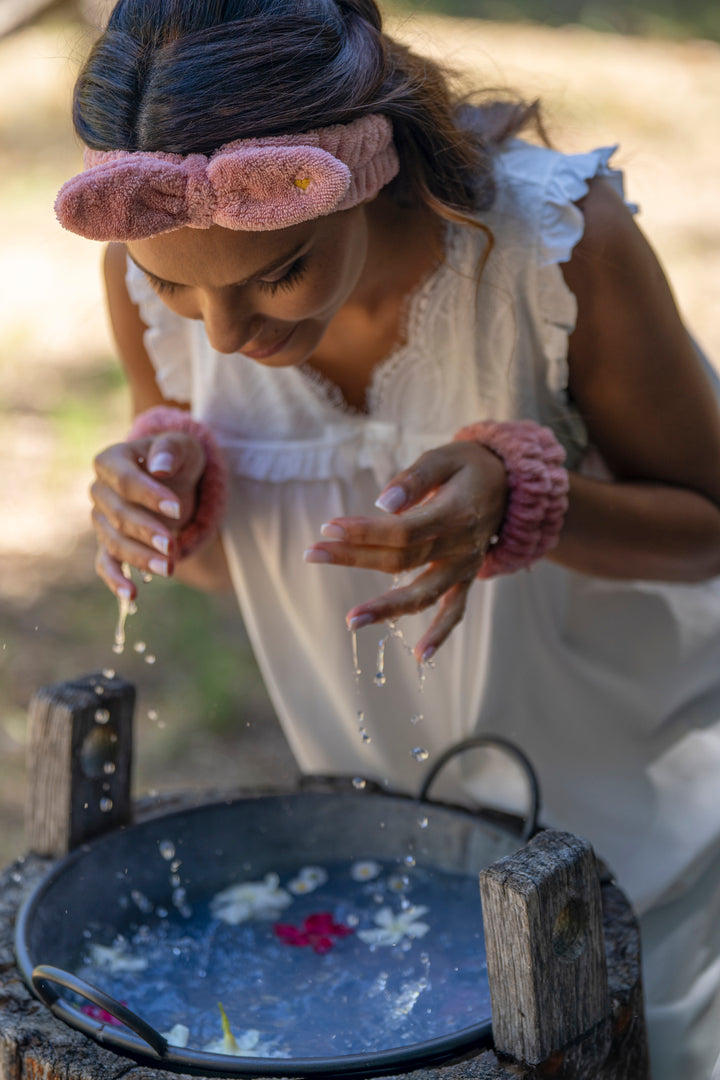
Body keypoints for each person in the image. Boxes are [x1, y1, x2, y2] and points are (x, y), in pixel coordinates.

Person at [55, 0, 720, 1075]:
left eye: (280, 271)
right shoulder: (147, 267)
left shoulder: (554, 252)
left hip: (641, 843)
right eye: (176, 285)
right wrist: (168, 509)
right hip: (388, 859)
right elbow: (229, 575)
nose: (225, 333)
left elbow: (709, 531)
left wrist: (528, 500)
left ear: (368, 170)